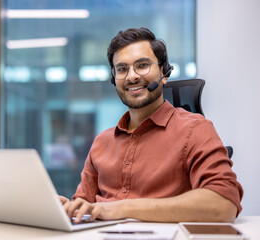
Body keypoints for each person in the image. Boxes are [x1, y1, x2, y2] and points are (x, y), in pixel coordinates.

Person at [60, 27, 243, 223]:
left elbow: (223, 204)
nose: (132, 76)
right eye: (122, 69)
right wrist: (65, 208)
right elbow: (83, 206)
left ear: (164, 73)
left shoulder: (194, 129)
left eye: (142, 65)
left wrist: (120, 208)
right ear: (114, 79)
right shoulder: (101, 143)